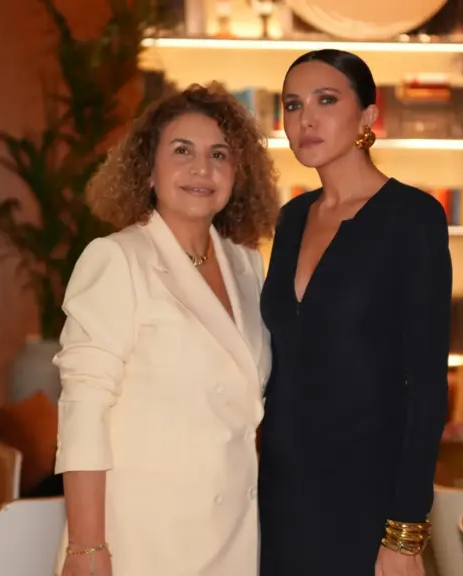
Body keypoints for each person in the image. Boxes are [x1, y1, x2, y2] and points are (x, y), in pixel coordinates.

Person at [53, 83, 279, 576]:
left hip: (231, 536)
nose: (202, 168)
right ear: (149, 171)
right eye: (182, 151)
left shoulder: (247, 265)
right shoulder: (117, 259)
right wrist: (87, 547)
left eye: (219, 154)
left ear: (237, 173)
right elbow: (83, 413)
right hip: (140, 539)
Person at [258, 49, 452, 576]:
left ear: (368, 116)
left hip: (369, 496)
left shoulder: (414, 217)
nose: (306, 119)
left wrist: (405, 530)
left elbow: (427, 386)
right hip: (281, 493)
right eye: (293, 105)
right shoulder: (292, 218)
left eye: (326, 100)